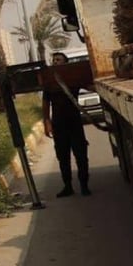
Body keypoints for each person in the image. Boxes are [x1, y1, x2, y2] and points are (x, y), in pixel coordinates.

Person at [43, 52, 91, 197]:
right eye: (54, 60)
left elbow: (89, 86)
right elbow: (45, 103)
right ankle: (68, 186)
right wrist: (46, 121)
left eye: (59, 60)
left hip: (74, 122)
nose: (55, 62)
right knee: (63, 157)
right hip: (59, 124)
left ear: (65, 62)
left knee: (81, 155)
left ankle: (84, 185)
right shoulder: (50, 82)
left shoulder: (72, 78)